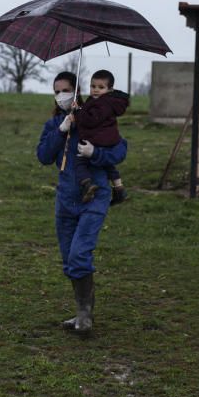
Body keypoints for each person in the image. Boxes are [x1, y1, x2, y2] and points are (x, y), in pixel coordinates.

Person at [37, 71, 128, 332]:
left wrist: (95, 153)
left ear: (77, 92)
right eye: (56, 91)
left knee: (79, 254)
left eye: (65, 90)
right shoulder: (55, 122)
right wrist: (61, 130)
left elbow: (120, 150)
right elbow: (43, 156)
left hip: (94, 197)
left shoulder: (95, 118)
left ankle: (85, 315)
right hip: (65, 200)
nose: (60, 95)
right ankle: (81, 312)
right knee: (69, 259)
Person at [73, 69, 129, 204]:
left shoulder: (103, 103)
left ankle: (87, 184)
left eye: (101, 87)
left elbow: (91, 119)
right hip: (108, 139)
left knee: (80, 161)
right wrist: (81, 108)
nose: (96, 90)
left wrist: (77, 112)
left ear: (110, 89)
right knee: (108, 165)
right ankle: (119, 188)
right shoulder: (103, 101)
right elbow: (91, 113)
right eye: (93, 86)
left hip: (99, 140)